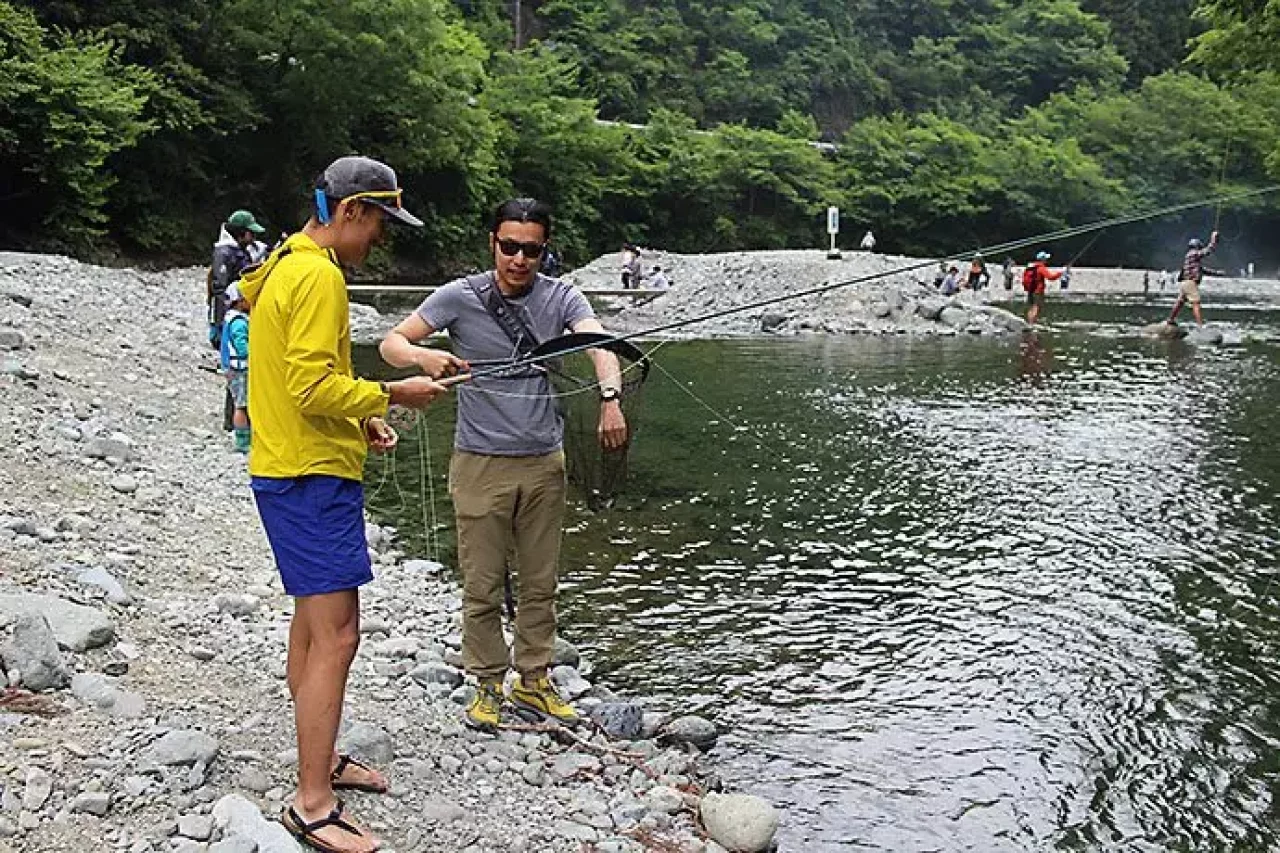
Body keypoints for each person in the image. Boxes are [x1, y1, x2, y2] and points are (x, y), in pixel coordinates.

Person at [239, 155, 450, 853]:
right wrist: (391, 391)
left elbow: (295, 381)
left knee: (311, 625)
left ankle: (320, 759)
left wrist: (359, 420)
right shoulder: (321, 276)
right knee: (338, 636)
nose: (381, 238)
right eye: (380, 223)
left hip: (288, 466)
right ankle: (312, 803)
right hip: (310, 481)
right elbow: (310, 385)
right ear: (352, 210)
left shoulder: (286, 262)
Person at [380, 197, 628, 732]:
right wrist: (423, 356)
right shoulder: (459, 296)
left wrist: (610, 398)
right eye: (509, 246)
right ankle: (488, 684)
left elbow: (598, 343)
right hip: (480, 463)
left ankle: (535, 679)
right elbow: (392, 343)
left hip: (544, 463)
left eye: (531, 250)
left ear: (544, 250)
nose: (519, 259)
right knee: (482, 584)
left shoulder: (562, 296)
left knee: (541, 582)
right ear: (492, 242)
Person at [209, 210, 266, 350]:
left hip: (240, 309)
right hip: (229, 312)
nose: (254, 238)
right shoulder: (224, 253)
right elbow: (219, 289)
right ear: (241, 233)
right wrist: (222, 321)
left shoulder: (241, 250)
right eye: (251, 233)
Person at [220, 283, 252, 453]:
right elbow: (242, 346)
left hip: (232, 368)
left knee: (241, 403)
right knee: (241, 404)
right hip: (239, 368)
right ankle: (242, 440)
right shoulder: (239, 322)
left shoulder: (229, 318)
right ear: (239, 301)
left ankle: (244, 436)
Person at [1167, 231, 1220, 327]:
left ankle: (1170, 320)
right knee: (1196, 303)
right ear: (1196, 246)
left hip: (1185, 283)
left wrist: (1217, 273)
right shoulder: (1193, 253)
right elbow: (1208, 251)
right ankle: (1200, 326)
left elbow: (1202, 270)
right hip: (1190, 282)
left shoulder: (1189, 257)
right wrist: (1213, 239)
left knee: (1179, 303)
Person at [1023, 251, 1065, 325]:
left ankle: (1029, 322)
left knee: (1032, 307)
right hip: (1038, 291)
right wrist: (1060, 273)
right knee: (1037, 307)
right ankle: (1031, 323)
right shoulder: (1041, 268)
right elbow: (1050, 277)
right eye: (1045, 258)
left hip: (1030, 290)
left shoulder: (1031, 267)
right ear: (1042, 259)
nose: (1046, 260)